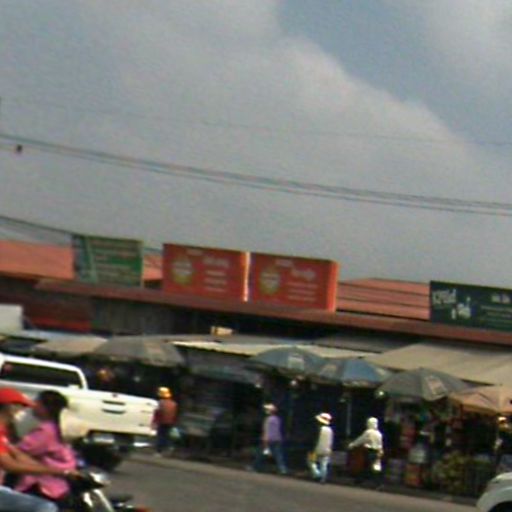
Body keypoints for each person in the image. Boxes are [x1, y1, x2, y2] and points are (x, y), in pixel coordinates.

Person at [0, 388, 73, 512]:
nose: (23, 411)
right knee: (45, 507)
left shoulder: (4, 432)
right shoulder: (46, 430)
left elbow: (18, 455)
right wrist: (61, 472)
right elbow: (9, 465)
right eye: (21, 407)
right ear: (8, 407)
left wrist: (62, 472)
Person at [16, 391, 77, 503]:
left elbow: (20, 450)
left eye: (37, 402)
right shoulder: (58, 428)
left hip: (42, 486)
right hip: (59, 485)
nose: (33, 405)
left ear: (46, 408)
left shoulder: (45, 431)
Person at [251, 404, 287, 475]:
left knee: (261, 453)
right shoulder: (277, 419)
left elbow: (266, 430)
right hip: (277, 439)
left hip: (268, 440)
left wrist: (265, 439)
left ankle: (256, 467)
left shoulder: (268, 419)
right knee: (278, 455)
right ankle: (282, 469)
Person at [349, 417, 384, 487]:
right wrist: (380, 451)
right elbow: (380, 444)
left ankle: (376, 483)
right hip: (377, 452)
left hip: (369, 451)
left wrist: (352, 444)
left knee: (368, 467)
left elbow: (361, 440)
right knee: (373, 467)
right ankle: (360, 480)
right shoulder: (379, 434)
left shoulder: (368, 432)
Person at [308, 413, 334, 484]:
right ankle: (323, 478)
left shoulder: (318, 429)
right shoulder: (330, 430)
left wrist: (311, 448)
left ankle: (317, 474)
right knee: (324, 464)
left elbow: (315, 439)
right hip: (327, 450)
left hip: (316, 449)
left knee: (311, 462)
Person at [152, 387, 178, 455]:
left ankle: (159, 451)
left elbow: (157, 413)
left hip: (162, 422)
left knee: (160, 436)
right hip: (170, 422)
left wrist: (154, 422)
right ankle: (169, 446)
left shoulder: (160, 403)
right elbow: (175, 414)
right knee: (166, 435)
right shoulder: (174, 404)